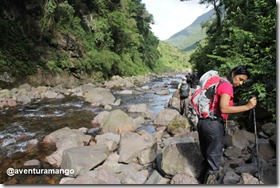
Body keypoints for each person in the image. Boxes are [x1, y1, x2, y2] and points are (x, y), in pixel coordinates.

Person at [197, 65, 257, 183]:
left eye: (243, 81)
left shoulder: (220, 82)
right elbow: (224, 109)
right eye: (240, 79)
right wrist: (247, 107)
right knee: (214, 163)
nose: (241, 83)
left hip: (203, 122)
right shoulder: (227, 86)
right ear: (233, 73)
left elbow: (220, 106)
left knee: (207, 157)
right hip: (214, 125)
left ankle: (199, 181)